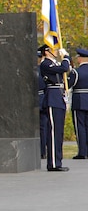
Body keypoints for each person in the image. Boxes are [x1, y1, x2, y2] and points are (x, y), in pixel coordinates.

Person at [39, 43, 72, 172]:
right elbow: (64, 68)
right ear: (46, 52)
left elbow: (65, 69)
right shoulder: (45, 64)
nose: (56, 51)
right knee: (53, 132)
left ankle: (57, 161)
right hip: (52, 99)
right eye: (53, 49)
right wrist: (66, 57)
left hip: (59, 98)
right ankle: (52, 163)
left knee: (59, 132)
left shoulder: (55, 64)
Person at [71, 48, 88, 160]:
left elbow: (69, 84)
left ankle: (82, 151)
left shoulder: (76, 72)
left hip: (79, 101)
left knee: (80, 127)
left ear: (80, 58)